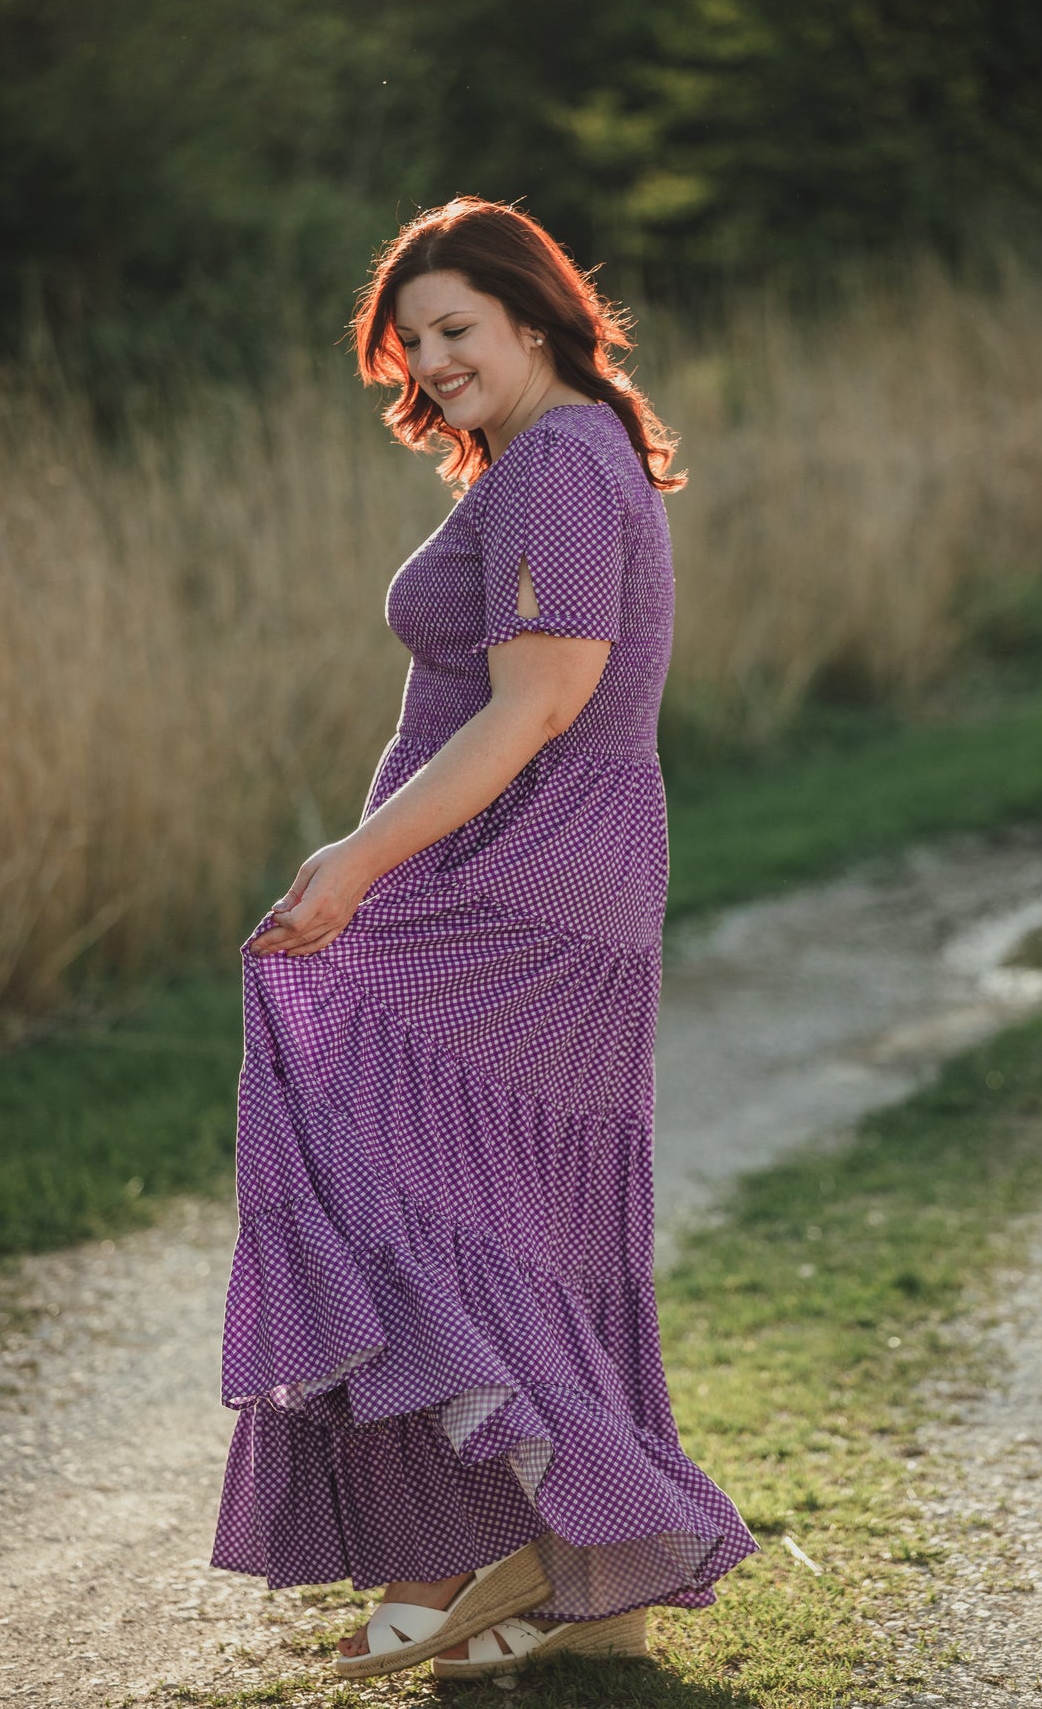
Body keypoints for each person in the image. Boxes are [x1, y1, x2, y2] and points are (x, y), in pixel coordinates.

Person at [210, 195, 758, 1683]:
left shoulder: (558, 466)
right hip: (551, 873)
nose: (434, 361)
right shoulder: (566, 453)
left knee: (377, 1163)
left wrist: (353, 858)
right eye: (412, 343)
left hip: (515, 882)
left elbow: (541, 702)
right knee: (514, 1217)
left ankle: (500, 1544)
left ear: (535, 314)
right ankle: (572, 1576)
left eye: (457, 329)